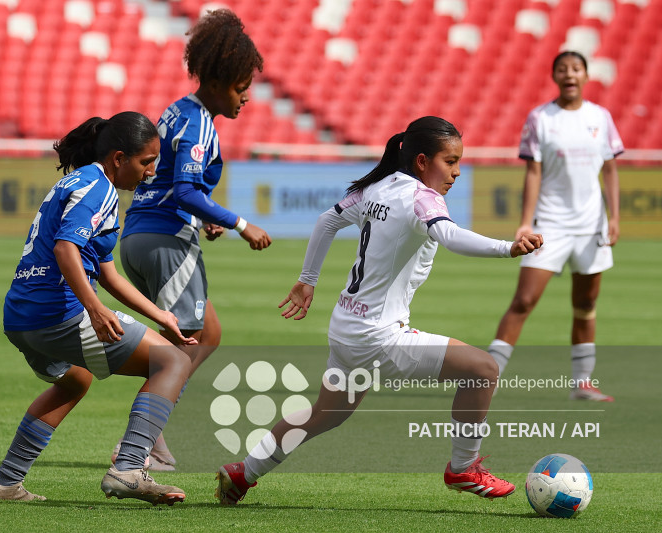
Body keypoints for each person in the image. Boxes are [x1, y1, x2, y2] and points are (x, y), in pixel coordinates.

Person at [213, 116, 544, 505]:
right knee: (483, 369)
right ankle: (463, 467)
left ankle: (242, 473)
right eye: (450, 161)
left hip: (347, 326)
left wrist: (308, 279)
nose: (456, 172)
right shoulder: (423, 197)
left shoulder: (377, 187)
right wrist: (508, 247)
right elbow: (451, 237)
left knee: (326, 413)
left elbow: (326, 220)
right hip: (378, 336)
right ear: (422, 161)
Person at [0, 112, 196, 505]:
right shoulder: (100, 188)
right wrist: (94, 310)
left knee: (75, 379)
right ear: (118, 158)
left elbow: (108, 273)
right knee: (174, 362)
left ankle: (4, 484)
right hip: (56, 312)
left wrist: (160, 315)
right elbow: (65, 249)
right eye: (146, 161)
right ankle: (129, 468)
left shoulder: (79, 181)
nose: (151, 172)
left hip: (20, 316)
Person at [117, 8, 272, 470]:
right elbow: (184, 189)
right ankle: (145, 444)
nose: (247, 98)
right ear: (222, 80)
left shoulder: (177, 111)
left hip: (140, 237)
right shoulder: (201, 122)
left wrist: (203, 218)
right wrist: (243, 225)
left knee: (209, 333)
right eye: (242, 88)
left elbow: (172, 184)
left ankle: (151, 431)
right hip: (165, 240)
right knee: (184, 347)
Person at [487, 51, 623, 402]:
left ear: (586, 75)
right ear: (554, 76)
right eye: (562, 69)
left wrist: (614, 217)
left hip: (591, 225)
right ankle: (487, 376)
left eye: (576, 68)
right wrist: (525, 222)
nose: (570, 74)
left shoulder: (601, 117)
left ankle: (582, 383)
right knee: (524, 300)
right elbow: (533, 172)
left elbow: (609, 169)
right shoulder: (540, 118)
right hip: (551, 224)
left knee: (586, 302)